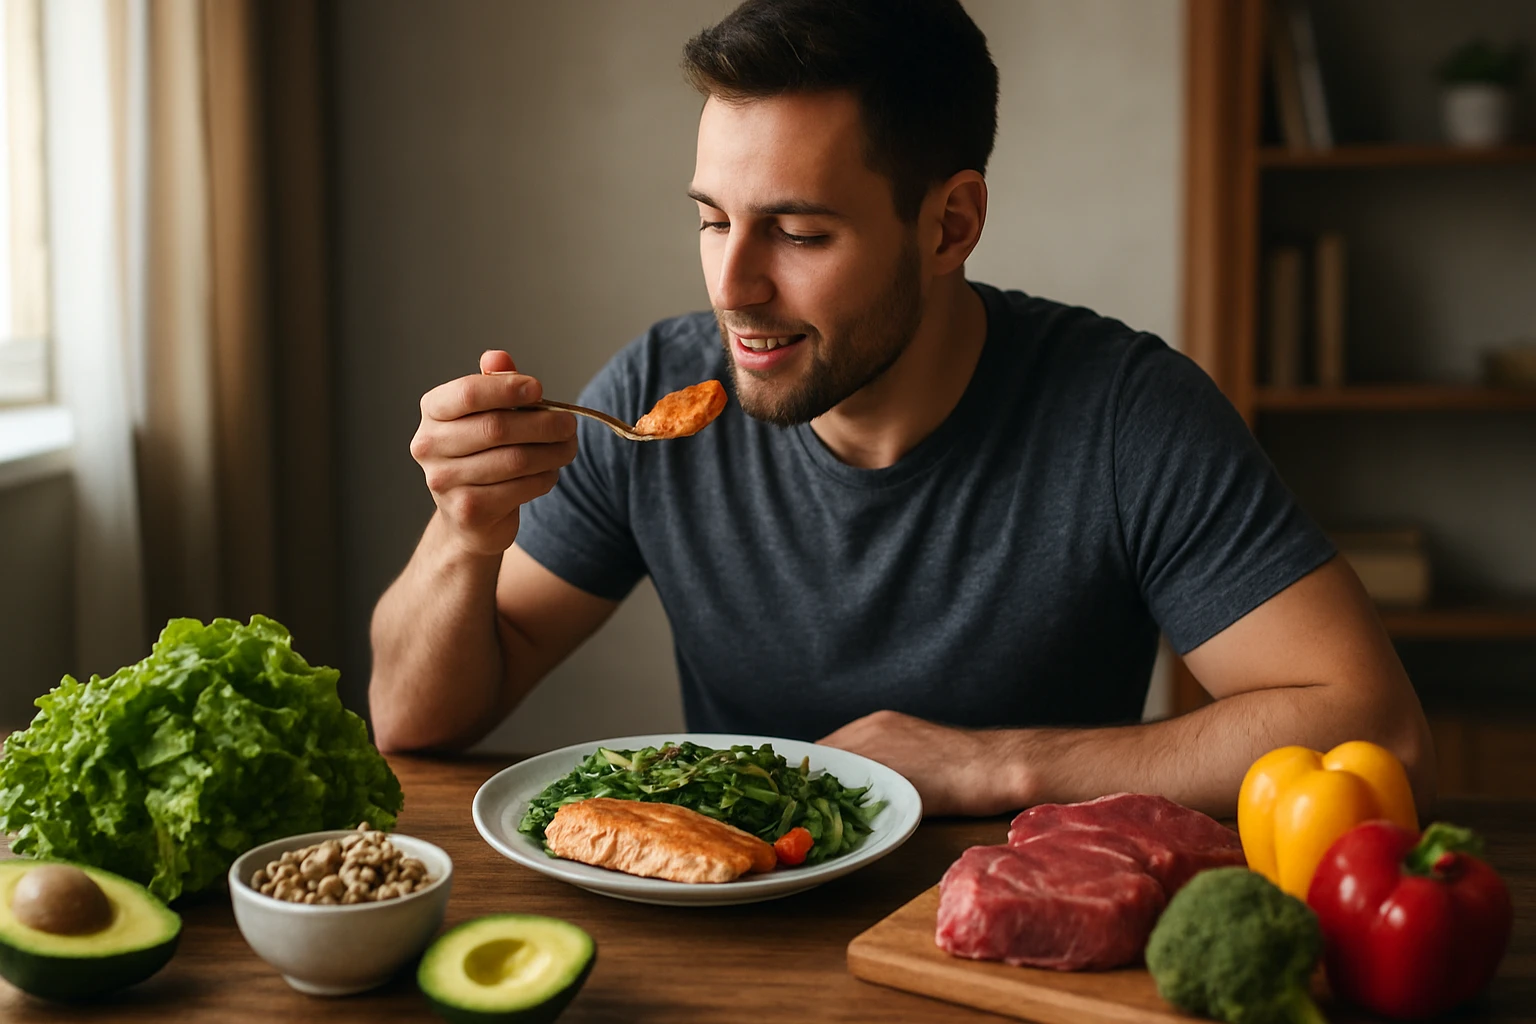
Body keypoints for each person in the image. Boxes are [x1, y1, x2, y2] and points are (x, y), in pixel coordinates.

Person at [369, 0, 1433, 818]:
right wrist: (464, 535)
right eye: (712, 219)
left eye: (797, 233)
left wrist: (993, 763)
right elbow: (416, 717)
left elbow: (1376, 725)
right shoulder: (656, 395)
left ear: (948, 224)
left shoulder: (1125, 413)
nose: (730, 286)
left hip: (1030, 947)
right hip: (739, 948)